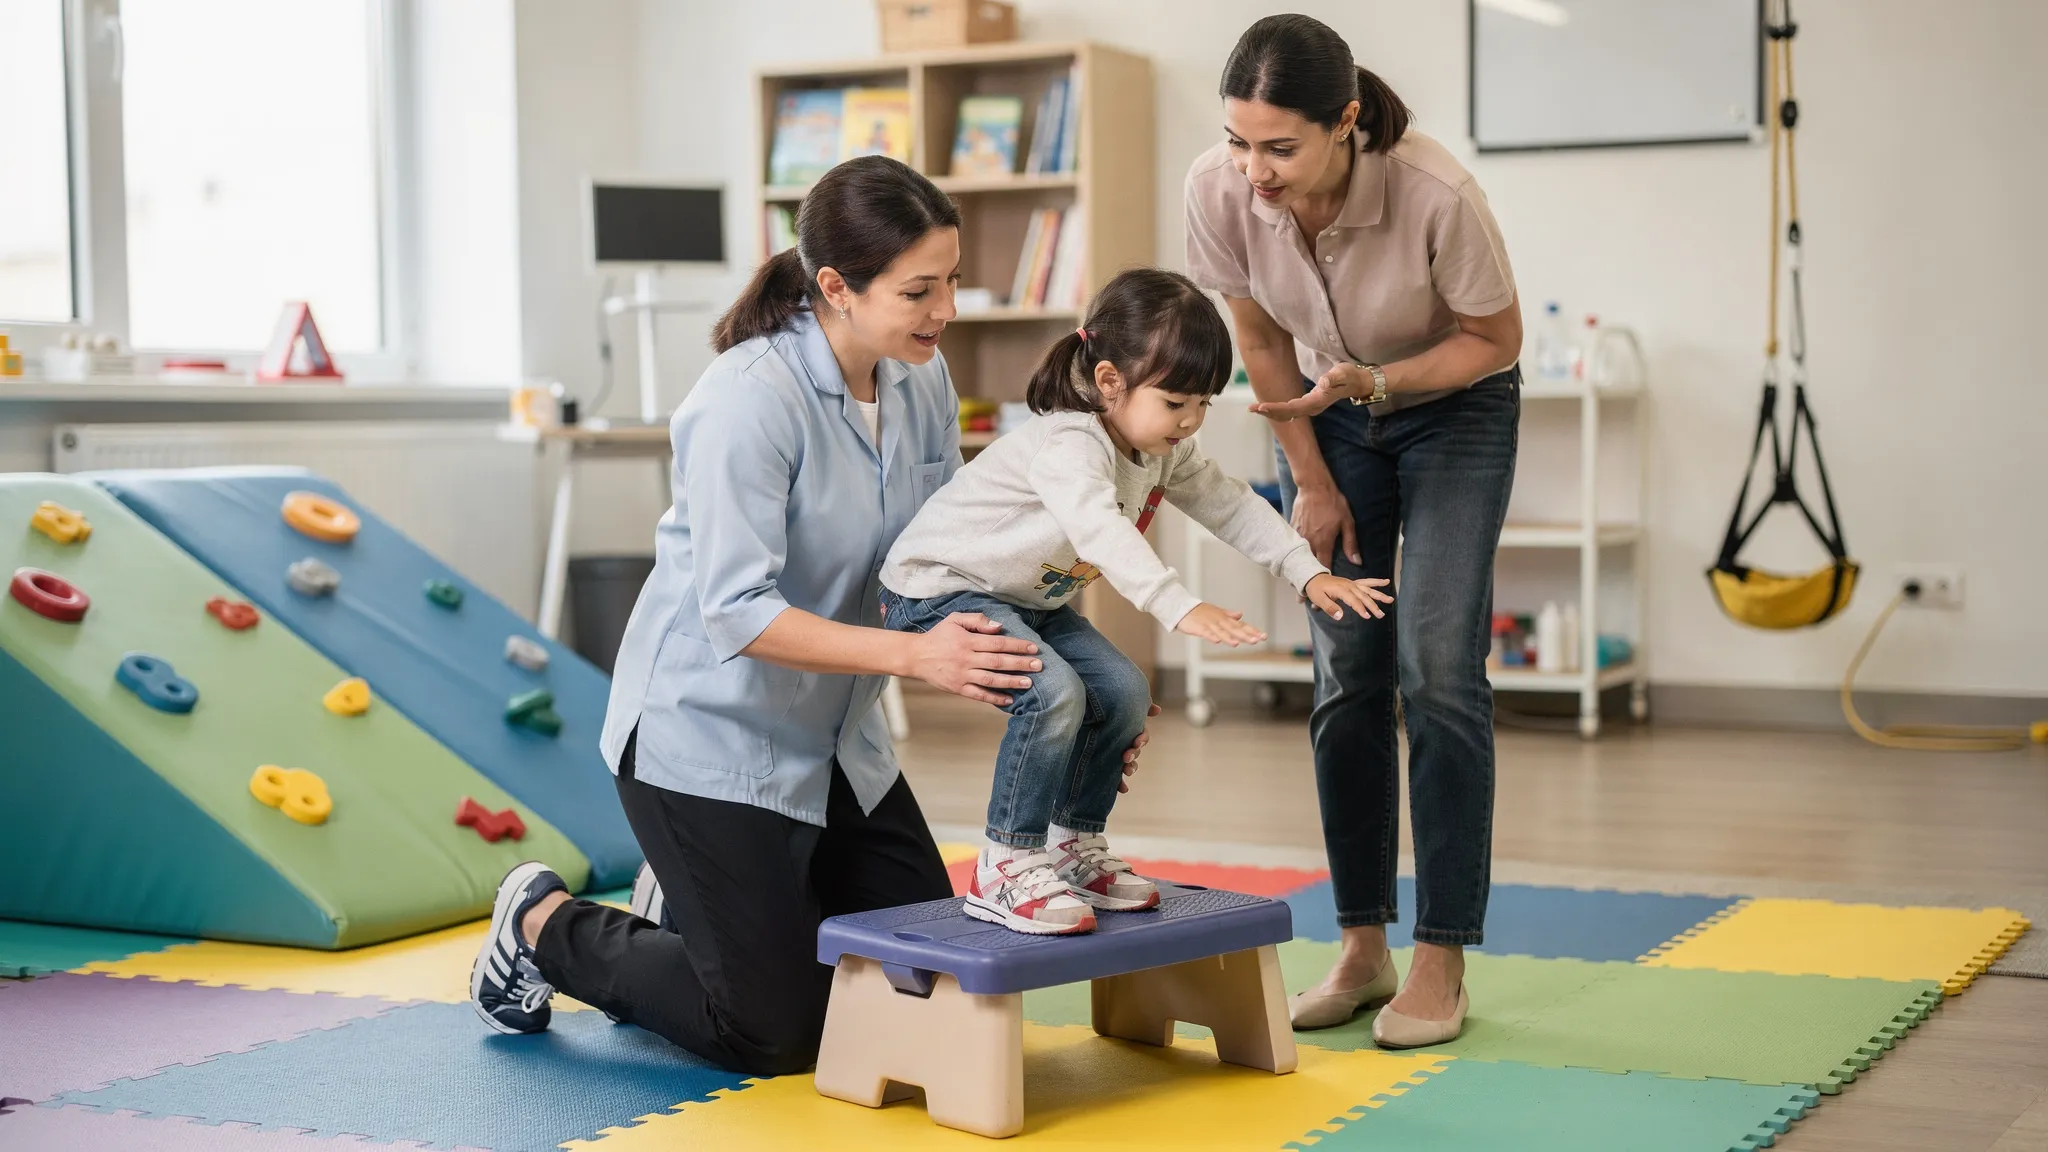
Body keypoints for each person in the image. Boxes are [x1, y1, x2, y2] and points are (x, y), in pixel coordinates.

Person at [464, 156, 1156, 1077]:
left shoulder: (922, 382)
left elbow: (953, 558)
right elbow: (738, 615)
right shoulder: (747, 400)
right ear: (836, 286)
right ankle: (545, 924)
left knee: (926, 985)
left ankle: (692, 909)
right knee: (776, 1029)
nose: (945, 308)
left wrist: (1081, 710)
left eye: (949, 279)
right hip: (706, 741)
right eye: (920, 289)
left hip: (835, 742)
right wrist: (919, 662)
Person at [1185, 15, 1524, 1049]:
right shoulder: (1218, 186)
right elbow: (1253, 332)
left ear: (1343, 125)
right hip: (1327, 415)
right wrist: (1310, 480)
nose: (1253, 172)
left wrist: (1379, 382)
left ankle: (1441, 958)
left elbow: (1493, 339)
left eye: (1278, 148)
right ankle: (1363, 946)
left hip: (1454, 407)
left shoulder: (1432, 191)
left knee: (1437, 667)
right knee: (1346, 670)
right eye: (1239, 142)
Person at [879, 268, 1393, 935]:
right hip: (937, 589)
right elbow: (1101, 530)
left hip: (1023, 600)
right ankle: (1004, 866)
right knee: (1054, 693)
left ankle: (1071, 848)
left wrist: (1306, 572)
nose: (1191, 420)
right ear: (1111, 381)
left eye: (1203, 403)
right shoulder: (1071, 443)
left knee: (1121, 689)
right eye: (1178, 401)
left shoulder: (1159, 446)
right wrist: (1178, 605)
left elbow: (1231, 503)